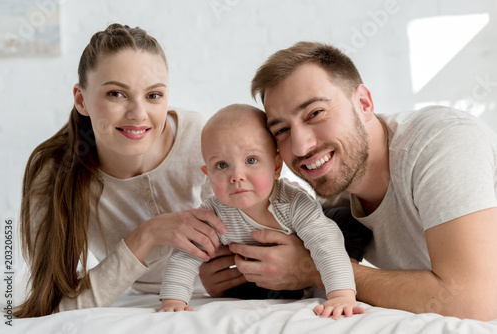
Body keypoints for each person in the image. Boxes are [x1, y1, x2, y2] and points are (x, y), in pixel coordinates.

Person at [202, 41, 497, 321]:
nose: (302, 147)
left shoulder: (441, 143)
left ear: (364, 103)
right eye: (281, 130)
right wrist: (236, 276)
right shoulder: (330, 190)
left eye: (315, 113)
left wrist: (315, 268)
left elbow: (477, 299)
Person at [15, 23, 226, 318]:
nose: (138, 114)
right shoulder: (53, 171)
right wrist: (147, 235)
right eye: (116, 94)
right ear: (81, 100)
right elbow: (51, 305)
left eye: (153, 96)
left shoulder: (202, 138)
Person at [158, 104, 365, 319]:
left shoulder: (293, 204)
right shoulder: (214, 215)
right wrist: (174, 300)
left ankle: (337, 281)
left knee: (344, 221)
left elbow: (326, 243)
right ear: (207, 174)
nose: (237, 175)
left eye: (251, 160)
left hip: (308, 251)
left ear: (276, 167)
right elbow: (185, 254)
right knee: (247, 286)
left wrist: (341, 296)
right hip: (263, 275)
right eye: (221, 165)